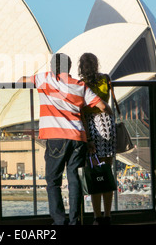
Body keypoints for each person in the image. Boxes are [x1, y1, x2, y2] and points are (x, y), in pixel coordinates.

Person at [18, 53, 112, 225]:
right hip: (78, 137)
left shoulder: (44, 78)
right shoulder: (79, 86)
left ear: (52, 67)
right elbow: (102, 106)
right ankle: (74, 220)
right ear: (69, 67)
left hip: (55, 137)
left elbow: (21, 81)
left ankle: (60, 221)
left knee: (53, 181)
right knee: (74, 177)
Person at [78, 52, 116, 225]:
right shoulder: (106, 79)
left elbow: (82, 113)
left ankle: (97, 217)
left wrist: (88, 139)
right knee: (107, 173)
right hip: (107, 125)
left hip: (92, 128)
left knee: (95, 175)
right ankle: (108, 215)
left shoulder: (81, 85)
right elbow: (107, 105)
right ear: (96, 64)